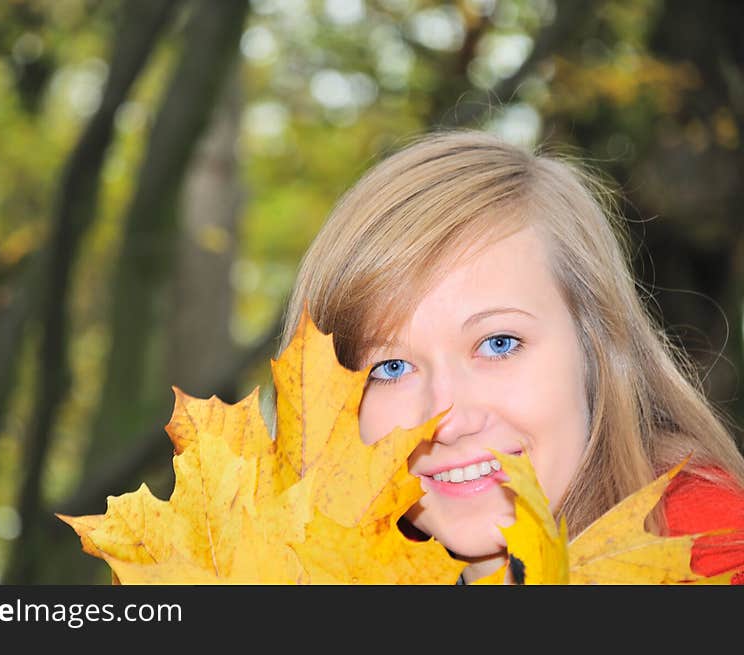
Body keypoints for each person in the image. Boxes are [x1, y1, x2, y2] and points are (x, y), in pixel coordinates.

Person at [274, 129, 744, 584]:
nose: (447, 420)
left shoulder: (717, 558)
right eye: (391, 368)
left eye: (498, 344)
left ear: (596, 348)